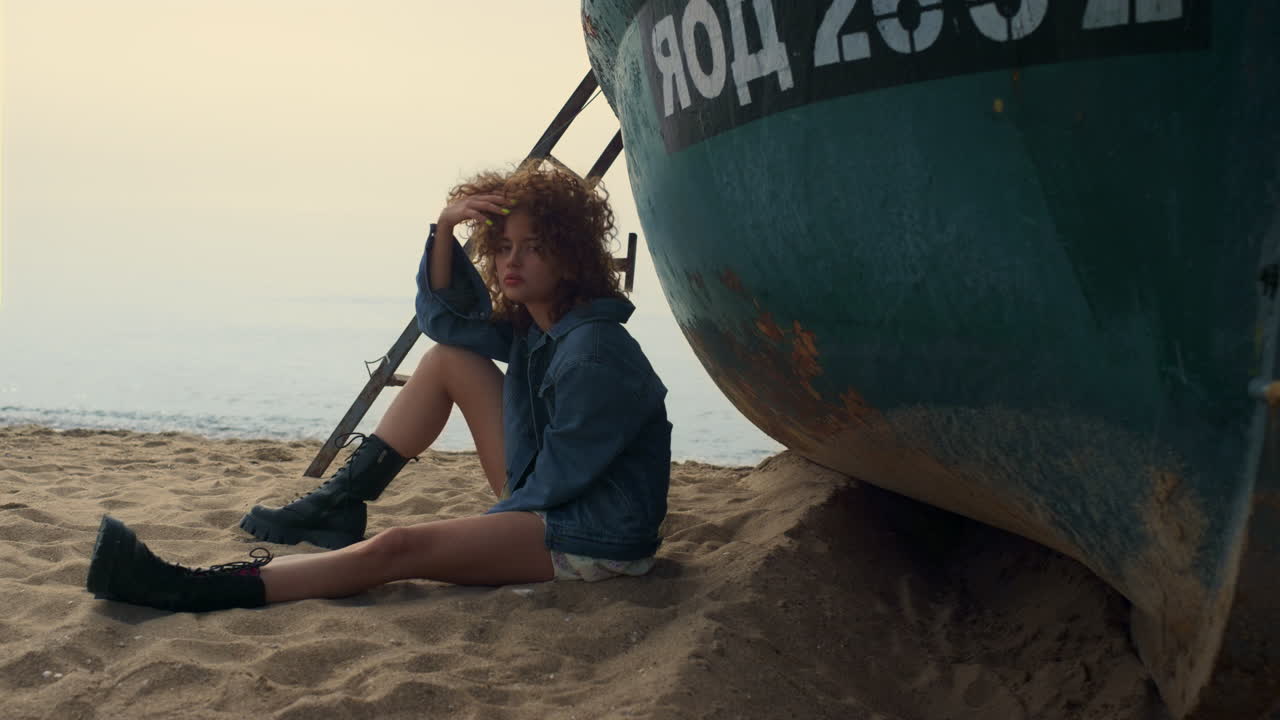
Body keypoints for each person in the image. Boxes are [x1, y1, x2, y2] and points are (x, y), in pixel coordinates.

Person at [85, 164, 673, 612]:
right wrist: (446, 224)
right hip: (555, 496)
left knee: (398, 549)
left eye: (532, 247)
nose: (510, 261)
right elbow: (445, 321)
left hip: (594, 534)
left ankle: (191, 589)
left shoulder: (594, 352)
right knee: (450, 357)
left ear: (568, 257)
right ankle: (340, 503)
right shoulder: (538, 326)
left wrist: (483, 533)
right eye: (502, 247)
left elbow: (558, 484)